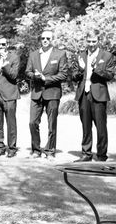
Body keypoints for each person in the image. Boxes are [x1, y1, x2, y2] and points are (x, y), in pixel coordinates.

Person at [71, 29, 116, 162]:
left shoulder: (107, 56)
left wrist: (95, 68)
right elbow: (73, 77)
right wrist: (81, 68)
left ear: (98, 41)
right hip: (84, 94)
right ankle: (86, 153)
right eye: (89, 41)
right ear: (86, 41)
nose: (91, 44)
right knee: (85, 125)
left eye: (94, 41)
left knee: (101, 126)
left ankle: (101, 155)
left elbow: (110, 76)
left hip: (99, 94)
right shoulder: (80, 55)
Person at [25, 29, 68, 159]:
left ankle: (50, 151)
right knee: (32, 123)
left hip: (52, 93)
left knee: (51, 124)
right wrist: (35, 76)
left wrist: (46, 79)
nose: (45, 40)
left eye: (48, 38)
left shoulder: (60, 54)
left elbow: (63, 74)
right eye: (43, 38)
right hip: (36, 92)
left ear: (52, 40)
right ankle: (36, 150)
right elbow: (27, 72)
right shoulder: (33, 55)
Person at [0, 37, 20, 157]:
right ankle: (0, 146)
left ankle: (12, 148)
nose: (0, 47)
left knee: (11, 123)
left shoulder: (14, 57)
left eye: (3, 44)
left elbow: (14, 75)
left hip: (9, 94)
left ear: (7, 44)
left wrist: (5, 66)